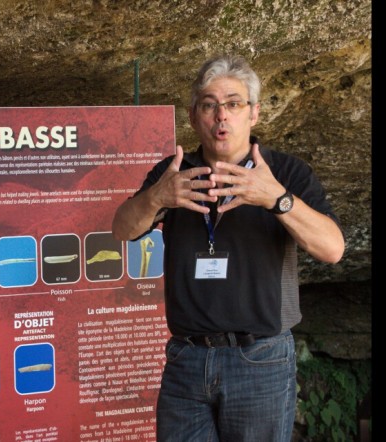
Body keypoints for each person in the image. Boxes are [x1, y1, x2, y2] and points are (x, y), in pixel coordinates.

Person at [112, 54, 344, 441]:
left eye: (234, 104)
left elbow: (333, 249)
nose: (222, 116)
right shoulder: (174, 173)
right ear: (193, 117)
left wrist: (277, 199)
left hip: (260, 358)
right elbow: (122, 229)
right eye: (209, 105)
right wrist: (157, 198)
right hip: (186, 359)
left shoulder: (286, 173)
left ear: (253, 113)